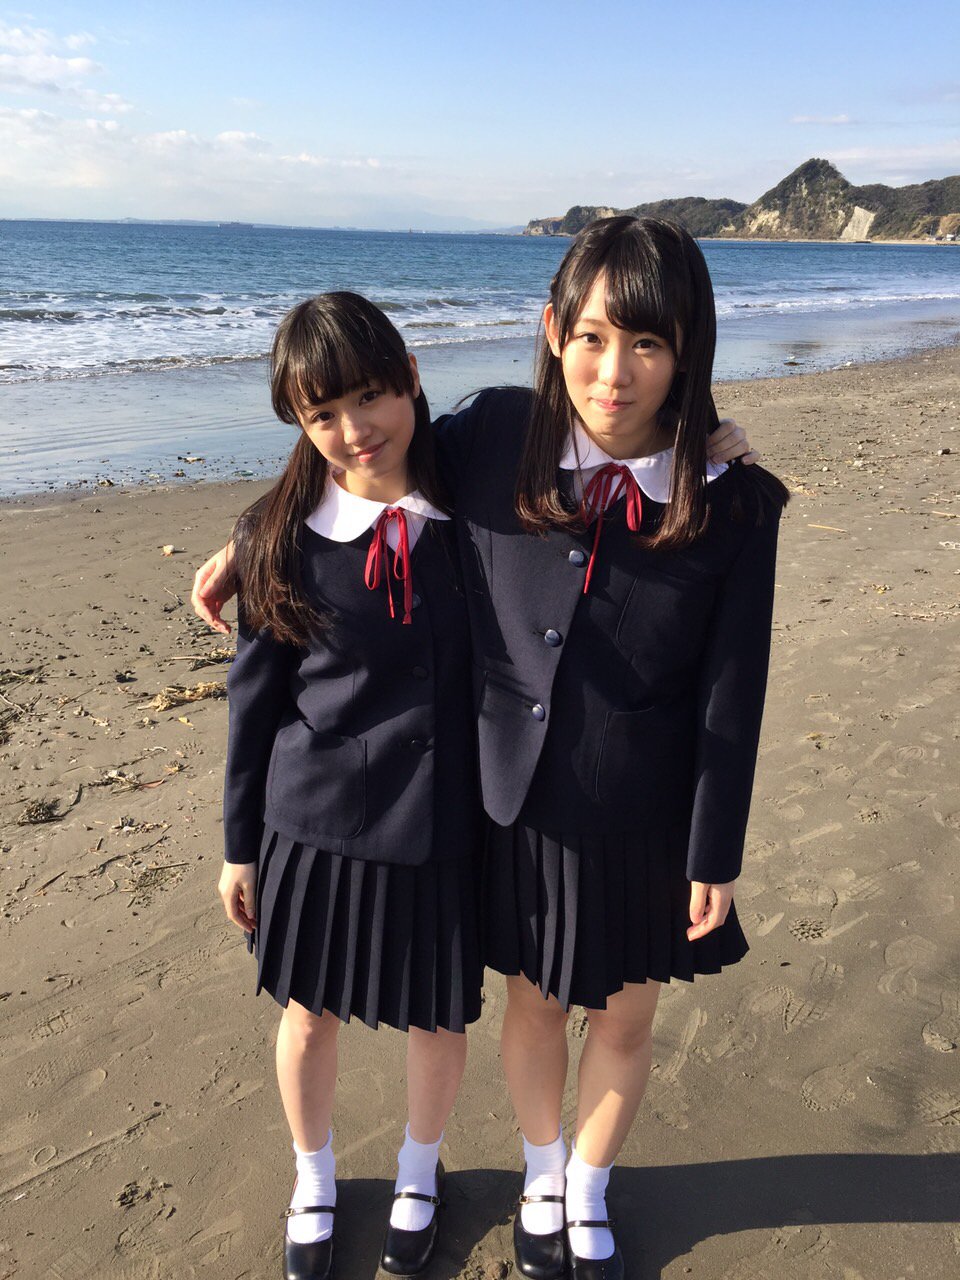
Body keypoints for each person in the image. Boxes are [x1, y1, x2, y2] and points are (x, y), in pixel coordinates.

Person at [196, 224, 771, 1280]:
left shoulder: (732, 498)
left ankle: (580, 1185)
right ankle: (530, 1173)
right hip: (513, 803)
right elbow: (364, 460)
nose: (614, 370)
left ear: (689, 347)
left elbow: (736, 689)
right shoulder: (498, 435)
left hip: (644, 808)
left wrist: (715, 849)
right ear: (552, 331)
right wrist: (251, 537)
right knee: (527, 1003)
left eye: (648, 342)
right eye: (592, 336)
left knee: (621, 1015)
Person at [217, 292, 484, 1280]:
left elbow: (585, 435)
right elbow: (253, 706)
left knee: (437, 1016)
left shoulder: (479, 506)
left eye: (369, 395)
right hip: (313, 822)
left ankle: (420, 1170)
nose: (354, 429)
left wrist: (709, 435)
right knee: (307, 1014)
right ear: (298, 420)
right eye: (322, 412)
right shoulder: (279, 535)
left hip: (443, 817)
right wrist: (239, 847)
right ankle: (314, 1175)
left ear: (410, 375)